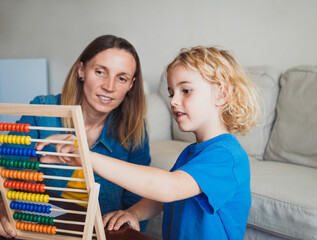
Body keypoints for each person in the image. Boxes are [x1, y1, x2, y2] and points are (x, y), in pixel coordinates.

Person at [36, 46, 260, 239]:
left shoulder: (226, 156)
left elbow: (167, 188)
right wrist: (134, 213)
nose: (174, 101)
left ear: (221, 94)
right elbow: (163, 199)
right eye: (172, 92)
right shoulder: (193, 152)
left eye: (186, 90)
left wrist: (87, 156)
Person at [0, 35, 151, 238]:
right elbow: (5, 166)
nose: (109, 86)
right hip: (45, 229)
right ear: (81, 70)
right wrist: (2, 205)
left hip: (101, 232)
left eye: (121, 78)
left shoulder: (134, 130)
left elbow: (138, 198)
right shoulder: (42, 112)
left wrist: (131, 215)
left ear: (130, 85)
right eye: (100, 72)